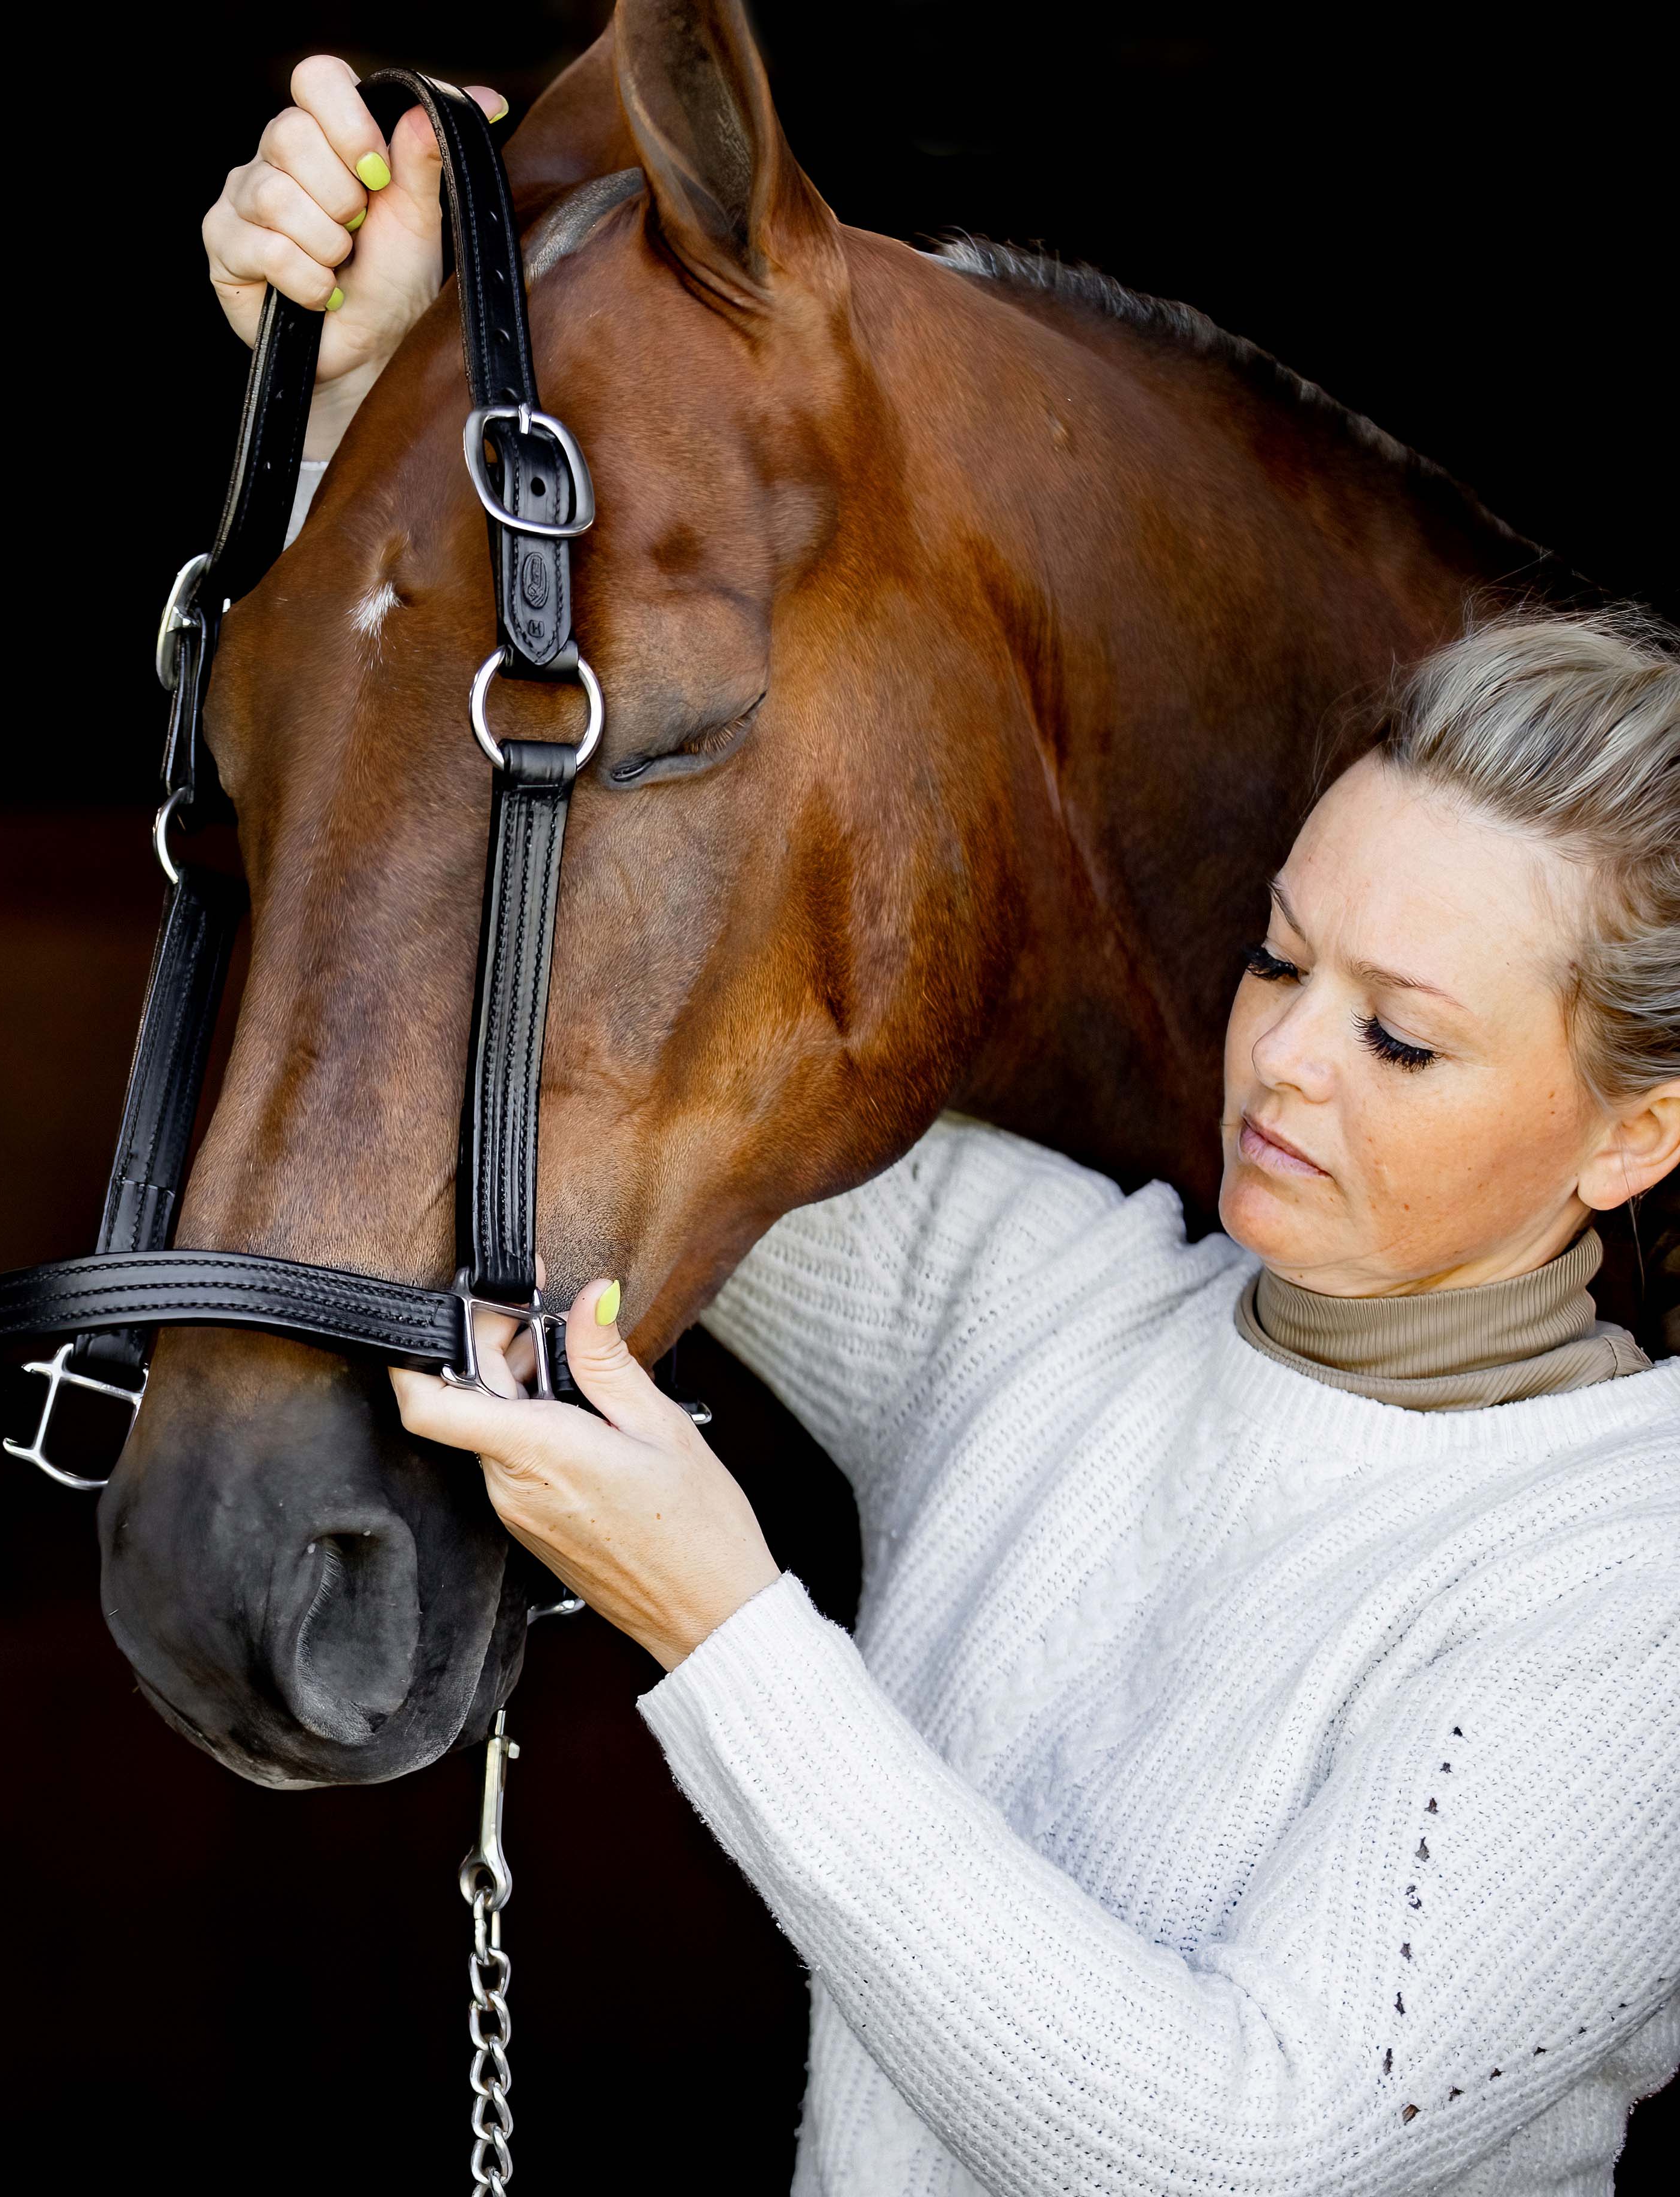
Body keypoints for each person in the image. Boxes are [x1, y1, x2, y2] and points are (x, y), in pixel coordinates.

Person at [214, 57, 1680, 2195]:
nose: (1275, 1067)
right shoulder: (1051, 1313)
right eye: (1280, 963)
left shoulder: (1624, 1585)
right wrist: (381, 409)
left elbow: (1230, 2148)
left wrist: (726, 1631)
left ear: (1635, 1134)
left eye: (1406, 1042)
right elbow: (542, 1017)